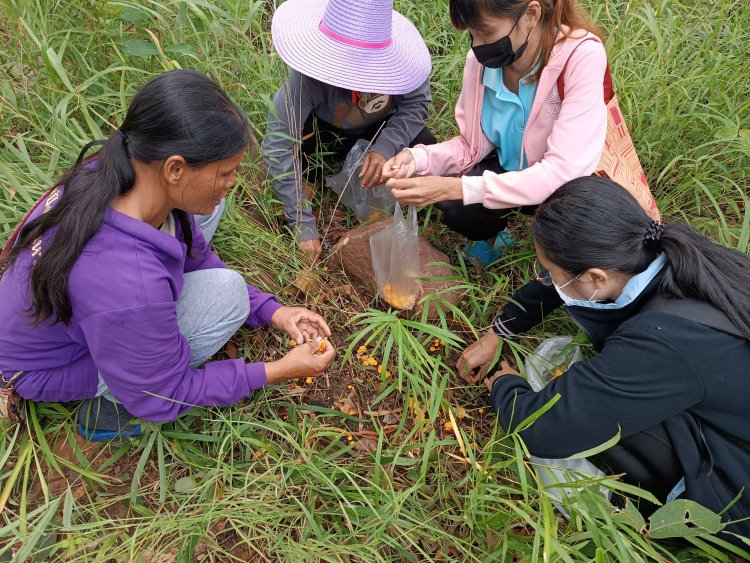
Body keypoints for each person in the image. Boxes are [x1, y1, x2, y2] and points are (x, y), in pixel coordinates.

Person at [0, 70, 336, 441]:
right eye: (226, 172)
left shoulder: (118, 167)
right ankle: (113, 406)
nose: (233, 181)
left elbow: (195, 250)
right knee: (228, 294)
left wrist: (274, 311)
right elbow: (166, 392)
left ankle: (130, 360)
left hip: (58, 313)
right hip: (50, 366)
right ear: (174, 168)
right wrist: (276, 369)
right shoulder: (129, 284)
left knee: (208, 206)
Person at [457, 176, 750, 544]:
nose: (548, 278)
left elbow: (542, 428)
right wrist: (498, 332)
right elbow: (555, 285)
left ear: (596, 276)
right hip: (731, 413)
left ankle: (636, 515)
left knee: (601, 420)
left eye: (552, 270)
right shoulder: (675, 255)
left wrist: (505, 384)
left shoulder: (662, 341)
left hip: (739, 486)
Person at [382, 0, 611, 266]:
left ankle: (552, 269)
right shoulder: (481, 62)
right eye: (472, 33)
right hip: (510, 165)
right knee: (459, 210)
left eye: (486, 32)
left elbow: (562, 172)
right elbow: (470, 145)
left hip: (568, 185)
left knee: (572, 239)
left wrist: (455, 187)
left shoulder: (580, 57)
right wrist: (416, 158)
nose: (477, 46)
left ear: (531, 14)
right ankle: (495, 239)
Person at [262, 0, 435, 260]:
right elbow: (278, 144)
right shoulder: (306, 80)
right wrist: (303, 225)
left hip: (376, 130)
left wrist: (384, 148)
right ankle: (315, 180)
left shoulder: (401, 66)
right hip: (322, 139)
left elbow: (416, 105)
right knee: (304, 161)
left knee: (424, 144)